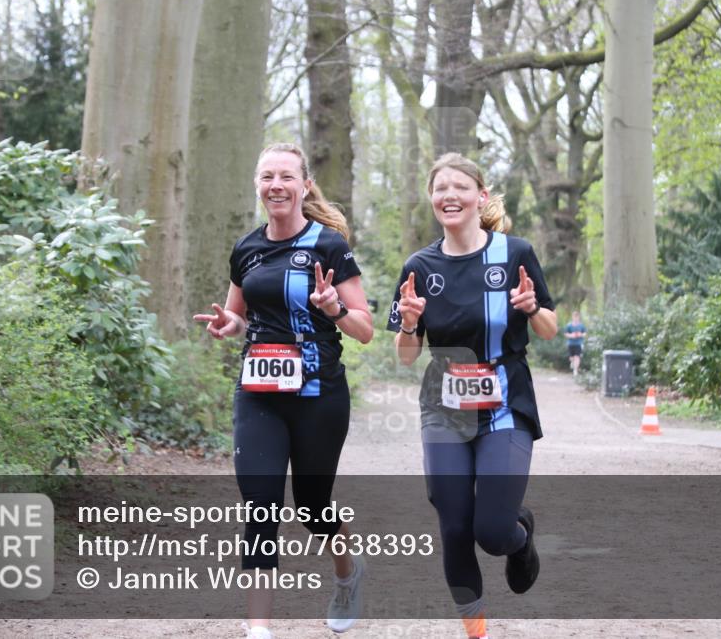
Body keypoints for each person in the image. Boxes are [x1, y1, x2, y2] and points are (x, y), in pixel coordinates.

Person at [194, 143, 374, 639]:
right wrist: (227, 324)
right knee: (261, 505)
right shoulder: (246, 248)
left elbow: (364, 329)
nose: (276, 185)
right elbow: (239, 315)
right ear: (258, 184)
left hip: (319, 395)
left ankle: (347, 574)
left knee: (314, 508)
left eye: (286, 177)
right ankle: (259, 630)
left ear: (304, 185)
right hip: (258, 393)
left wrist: (333, 305)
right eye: (267, 176)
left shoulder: (329, 247)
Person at [388, 153, 557, 639]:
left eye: (461, 187)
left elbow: (547, 328)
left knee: (492, 531)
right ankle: (477, 632)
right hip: (444, 408)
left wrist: (530, 307)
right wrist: (411, 324)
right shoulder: (418, 266)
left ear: (480, 196)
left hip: (505, 404)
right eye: (441, 188)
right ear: (432, 199)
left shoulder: (514, 253)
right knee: (455, 525)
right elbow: (405, 355)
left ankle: (519, 536)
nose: (450, 196)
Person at [564, 311, 587, 375]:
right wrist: (572, 335)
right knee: (571, 358)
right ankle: (572, 363)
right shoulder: (569, 325)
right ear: (573, 317)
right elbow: (566, 334)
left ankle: (575, 370)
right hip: (570, 343)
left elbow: (585, 333)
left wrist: (580, 334)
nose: (576, 318)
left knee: (577, 357)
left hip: (578, 344)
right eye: (575, 317)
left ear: (579, 317)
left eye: (577, 317)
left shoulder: (581, 325)